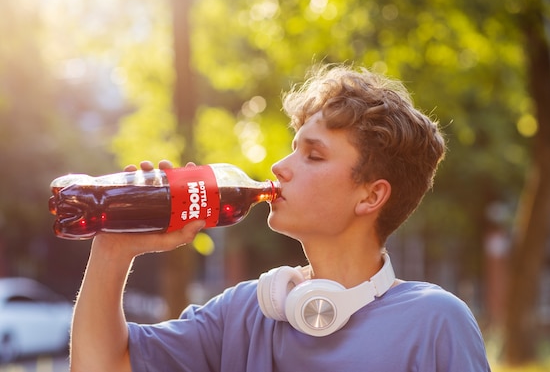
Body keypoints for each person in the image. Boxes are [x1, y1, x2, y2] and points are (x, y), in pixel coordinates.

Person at [69, 64, 491, 372]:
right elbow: (102, 365)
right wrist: (114, 245)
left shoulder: (435, 322)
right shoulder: (245, 313)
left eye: (313, 154)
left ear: (371, 195)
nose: (279, 167)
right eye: (293, 147)